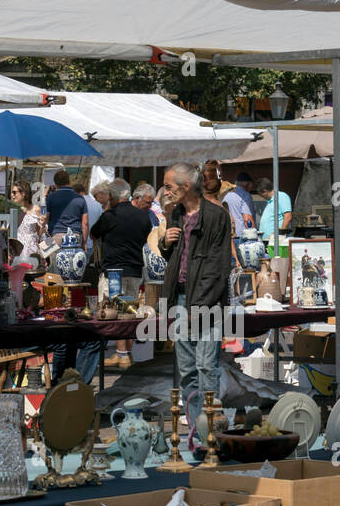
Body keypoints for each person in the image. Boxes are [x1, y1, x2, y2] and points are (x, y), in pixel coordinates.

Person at [159, 162, 233, 433]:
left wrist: (198, 305)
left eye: (168, 185)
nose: (165, 191)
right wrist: (165, 242)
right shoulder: (175, 214)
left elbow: (218, 265)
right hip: (179, 298)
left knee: (205, 364)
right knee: (187, 367)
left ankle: (209, 427)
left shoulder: (216, 216)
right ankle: (194, 429)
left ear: (186, 186)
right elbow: (172, 257)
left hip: (207, 301)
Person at [91, 178, 152, 371]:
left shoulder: (110, 216)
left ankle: (121, 355)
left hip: (113, 271)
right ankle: (127, 353)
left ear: (112, 196)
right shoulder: (143, 217)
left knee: (114, 313)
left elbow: (94, 233)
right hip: (134, 269)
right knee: (130, 313)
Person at [46, 168, 88, 246]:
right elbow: (85, 223)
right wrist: (84, 242)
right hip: (75, 237)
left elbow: (46, 217)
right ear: (69, 181)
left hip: (56, 236)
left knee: (54, 257)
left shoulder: (51, 197)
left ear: (55, 183)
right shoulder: (80, 198)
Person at [12, 178, 48, 264]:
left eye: (14, 192)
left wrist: (45, 255)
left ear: (23, 193)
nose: (12, 195)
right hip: (16, 251)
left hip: (32, 252)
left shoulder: (37, 209)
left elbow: (43, 234)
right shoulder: (13, 210)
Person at [256, 177, 292, 244]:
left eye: (260, 194)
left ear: (265, 191)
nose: (261, 196)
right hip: (268, 240)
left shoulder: (281, 196)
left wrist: (280, 235)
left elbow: (287, 216)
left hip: (277, 241)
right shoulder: (270, 201)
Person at [223, 170, 255, 244]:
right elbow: (247, 219)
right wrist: (254, 238)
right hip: (241, 237)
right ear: (248, 184)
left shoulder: (226, 194)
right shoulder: (245, 195)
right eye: (251, 185)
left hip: (227, 235)